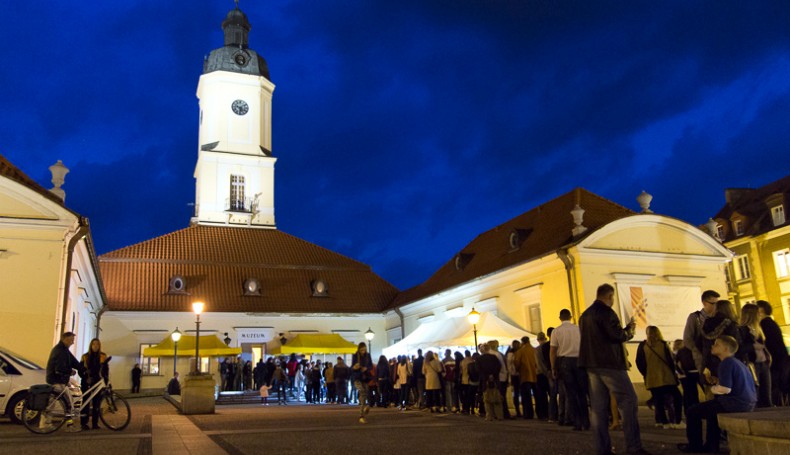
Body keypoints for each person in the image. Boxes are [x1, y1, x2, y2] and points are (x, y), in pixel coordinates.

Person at [579, 283, 648, 455]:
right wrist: (630, 329)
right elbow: (617, 336)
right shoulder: (607, 313)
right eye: (612, 297)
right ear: (609, 296)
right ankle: (634, 446)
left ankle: (603, 449)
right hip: (610, 363)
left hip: (591, 364)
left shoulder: (585, 315)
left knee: (598, 408)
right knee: (629, 401)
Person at [678, 335, 757, 453]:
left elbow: (725, 389)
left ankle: (695, 445)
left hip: (734, 403)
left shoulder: (726, 363)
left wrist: (713, 388)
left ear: (725, 349)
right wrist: (717, 381)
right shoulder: (737, 362)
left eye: (717, 344)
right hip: (747, 402)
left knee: (692, 412)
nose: (712, 346)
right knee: (712, 413)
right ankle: (711, 446)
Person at [635, 326, 683, 429]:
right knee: (677, 397)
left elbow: (639, 362)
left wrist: (646, 373)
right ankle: (677, 421)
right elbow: (670, 361)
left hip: (652, 378)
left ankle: (663, 422)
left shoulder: (643, 346)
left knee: (658, 401)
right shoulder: (663, 345)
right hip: (666, 377)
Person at [550, 308, 589, 430]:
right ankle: (586, 422)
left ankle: (577, 422)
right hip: (579, 361)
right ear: (571, 317)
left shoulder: (556, 331)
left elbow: (553, 351)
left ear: (560, 318)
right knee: (582, 392)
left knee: (571, 393)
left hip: (565, 362)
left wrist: (553, 367)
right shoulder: (578, 329)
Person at [737, 303, 772, 407]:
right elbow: (740, 348)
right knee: (755, 393)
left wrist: (767, 355)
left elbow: (763, 345)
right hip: (752, 364)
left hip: (763, 363)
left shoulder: (758, 328)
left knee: (766, 393)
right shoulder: (742, 330)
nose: (759, 315)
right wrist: (753, 346)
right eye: (758, 313)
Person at [757, 300, 789, 406]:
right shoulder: (772, 323)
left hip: (774, 363)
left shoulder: (764, 324)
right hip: (781, 361)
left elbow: (768, 345)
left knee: (774, 388)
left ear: (761, 311)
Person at [683, 290, 719, 382]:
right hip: (702, 358)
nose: (715, 306)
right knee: (708, 384)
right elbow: (687, 339)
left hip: (717, 356)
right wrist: (697, 350)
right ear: (704, 303)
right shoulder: (695, 317)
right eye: (713, 303)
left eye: (716, 303)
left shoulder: (718, 318)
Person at [701, 300, 740, 385]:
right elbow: (736, 345)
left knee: (718, 388)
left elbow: (701, 344)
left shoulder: (706, 325)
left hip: (710, 362)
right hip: (728, 360)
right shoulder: (730, 325)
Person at [80, 338, 110, 430]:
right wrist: (85, 377)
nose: (95, 346)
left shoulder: (103, 356)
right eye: (94, 344)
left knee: (97, 403)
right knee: (86, 402)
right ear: (91, 345)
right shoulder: (85, 356)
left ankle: (95, 423)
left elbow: (106, 370)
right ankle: (84, 423)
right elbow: (81, 369)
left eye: (97, 344)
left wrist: (105, 381)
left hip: (97, 382)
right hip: (87, 381)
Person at [514, 335, 540, 419]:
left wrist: (517, 370)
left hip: (525, 376)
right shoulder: (534, 350)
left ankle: (528, 414)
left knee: (526, 397)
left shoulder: (520, 351)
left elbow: (517, 363)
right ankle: (540, 413)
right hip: (535, 375)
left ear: (522, 342)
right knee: (537, 396)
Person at [674, 339, 701, 413]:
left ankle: (689, 410)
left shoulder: (680, 351)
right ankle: (695, 409)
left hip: (686, 374)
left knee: (688, 393)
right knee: (694, 393)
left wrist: (681, 372)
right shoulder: (695, 349)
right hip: (695, 372)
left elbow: (675, 363)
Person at [351, 342, 373, 423]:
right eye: (362, 350)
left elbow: (370, 365)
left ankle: (364, 408)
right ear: (359, 350)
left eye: (364, 350)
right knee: (362, 392)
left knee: (366, 394)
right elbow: (351, 368)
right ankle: (361, 415)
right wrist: (354, 367)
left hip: (365, 377)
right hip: (357, 378)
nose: (363, 351)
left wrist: (366, 368)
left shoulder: (368, 355)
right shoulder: (355, 356)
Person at [506, 340, 521, 417]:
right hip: (515, 375)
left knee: (517, 393)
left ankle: (518, 410)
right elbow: (509, 366)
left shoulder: (511, 353)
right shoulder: (511, 354)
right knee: (516, 393)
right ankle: (517, 410)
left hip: (517, 375)